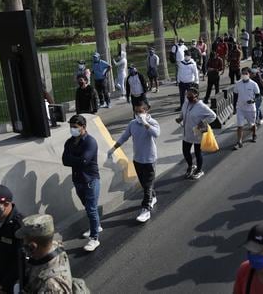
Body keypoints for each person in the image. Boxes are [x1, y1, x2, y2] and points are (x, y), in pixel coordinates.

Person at [108, 101, 160, 223]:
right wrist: (114, 147)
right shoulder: (132, 124)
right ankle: (153, 197)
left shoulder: (152, 123)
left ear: (146, 111)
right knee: (144, 184)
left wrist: (145, 123)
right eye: (136, 112)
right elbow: (125, 136)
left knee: (147, 185)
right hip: (137, 159)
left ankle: (145, 209)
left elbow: (156, 134)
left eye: (140, 111)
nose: (138, 114)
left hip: (149, 160)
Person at [62, 115, 102, 252]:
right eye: (71, 127)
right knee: (88, 207)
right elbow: (64, 160)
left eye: (75, 127)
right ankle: (96, 226)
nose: (72, 129)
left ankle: (94, 238)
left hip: (90, 180)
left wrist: (74, 159)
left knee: (91, 208)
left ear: (83, 127)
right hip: (78, 179)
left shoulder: (90, 142)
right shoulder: (69, 142)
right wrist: (77, 159)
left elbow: (84, 161)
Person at [15, 214, 77, 293]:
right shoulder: (55, 246)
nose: (23, 242)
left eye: (24, 240)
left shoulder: (51, 286)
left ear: (32, 246)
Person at [175, 87, 216, 180]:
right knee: (185, 151)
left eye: (190, 95)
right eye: (187, 94)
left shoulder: (201, 106)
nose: (188, 96)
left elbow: (213, 116)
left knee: (198, 153)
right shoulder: (186, 103)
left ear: (196, 95)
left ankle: (199, 170)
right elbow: (183, 113)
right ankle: (190, 166)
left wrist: (202, 123)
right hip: (187, 132)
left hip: (198, 131)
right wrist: (180, 118)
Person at [233, 68, 260, 150]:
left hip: (251, 109)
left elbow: (258, 95)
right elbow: (235, 96)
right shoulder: (237, 84)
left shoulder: (254, 84)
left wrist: (253, 100)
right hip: (240, 108)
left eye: (245, 73)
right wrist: (234, 107)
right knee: (239, 126)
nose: (244, 75)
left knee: (252, 124)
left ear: (249, 74)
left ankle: (254, 134)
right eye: (242, 73)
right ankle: (239, 142)